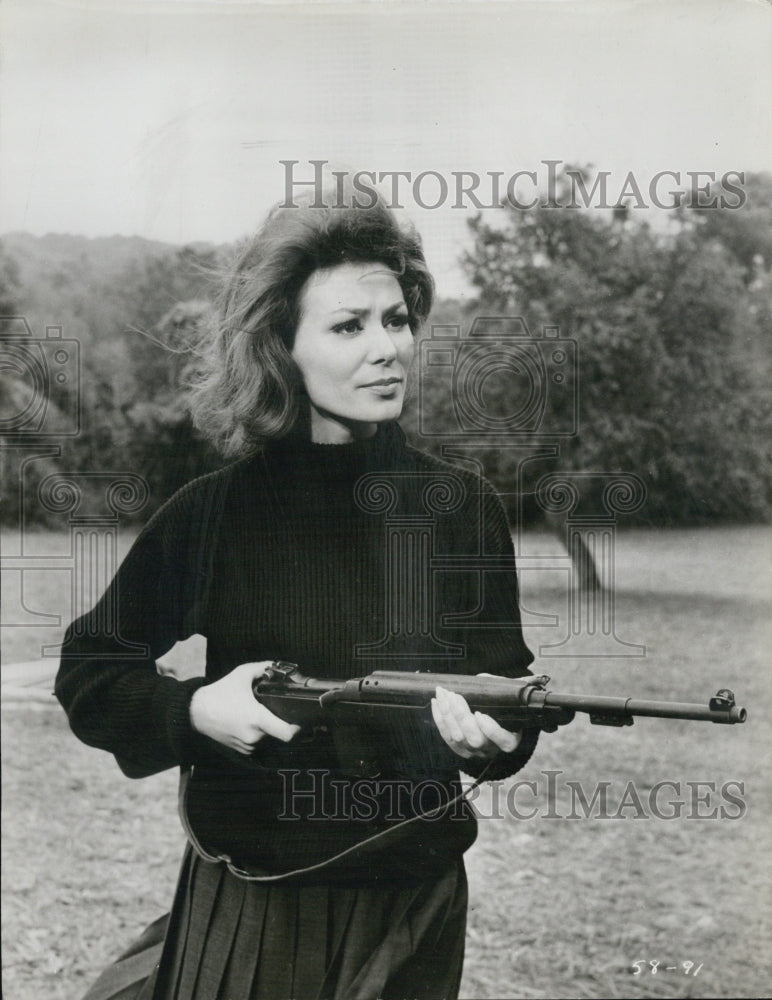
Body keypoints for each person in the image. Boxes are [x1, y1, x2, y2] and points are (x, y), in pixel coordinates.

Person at [55, 189, 539, 1000]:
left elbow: (506, 697)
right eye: (349, 326)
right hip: (255, 909)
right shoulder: (213, 514)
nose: (387, 347)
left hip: (413, 906)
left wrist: (492, 742)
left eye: (396, 318)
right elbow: (90, 672)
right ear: (282, 346)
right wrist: (196, 712)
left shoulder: (464, 509)